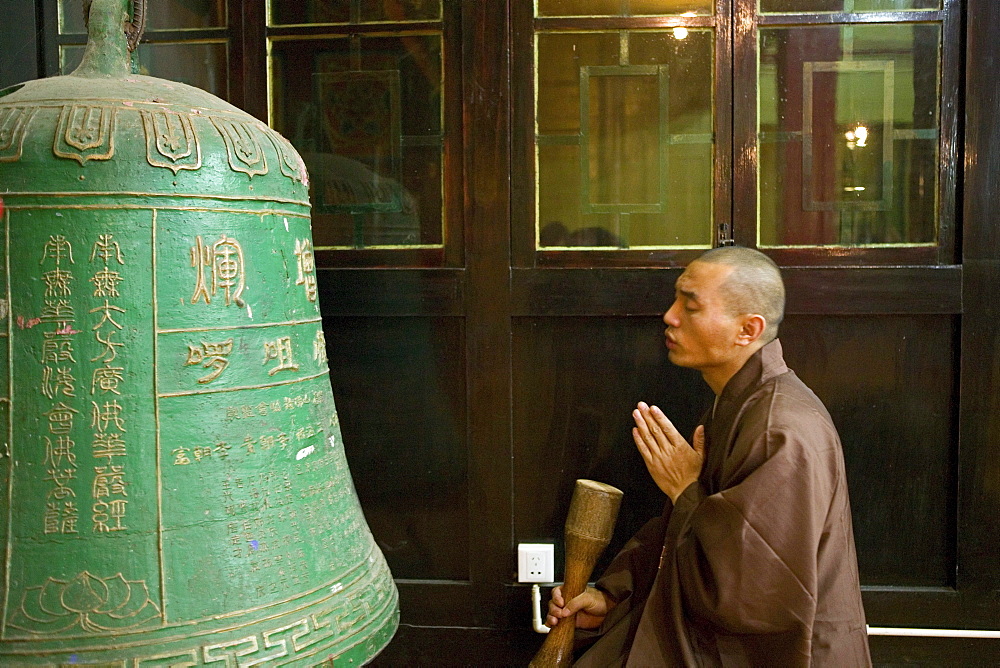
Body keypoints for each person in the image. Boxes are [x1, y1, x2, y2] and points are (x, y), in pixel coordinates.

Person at [545, 246, 871, 666]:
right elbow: (680, 532)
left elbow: (752, 590)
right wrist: (611, 595)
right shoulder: (740, 404)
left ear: (747, 330)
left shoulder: (781, 431)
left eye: (691, 306)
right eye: (676, 298)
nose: (670, 315)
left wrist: (685, 490)